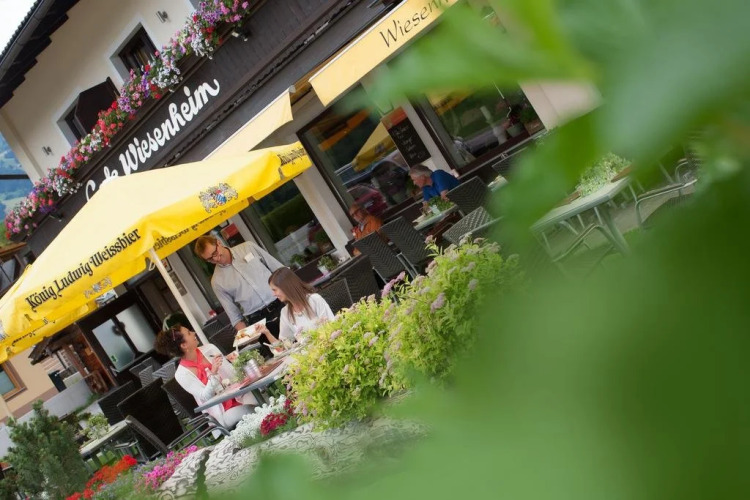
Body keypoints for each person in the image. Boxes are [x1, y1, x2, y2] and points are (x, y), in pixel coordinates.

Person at [194, 235, 284, 354]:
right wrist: (250, 340)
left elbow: (280, 270)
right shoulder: (217, 281)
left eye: (214, 253)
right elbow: (235, 317)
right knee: (280, 356)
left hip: (282, 303)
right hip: (258, 321)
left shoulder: (248, 247)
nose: (215, 259)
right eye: (210, 259)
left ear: (219, 243)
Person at [154, 324, 254, 428]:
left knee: (260, 399)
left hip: (239, 396)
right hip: (222, 413)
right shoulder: (181, 374)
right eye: (189, 333)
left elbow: (232, 374)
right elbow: (205, 396)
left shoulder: (210, 349)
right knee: (249, 409)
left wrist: (235, 362)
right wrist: (213, 373)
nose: (194, 333)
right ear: (184, 345)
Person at [257, 267, 334, 344]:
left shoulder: (314, 300)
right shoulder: (285, 312)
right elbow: (283, 346)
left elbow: (332, 326)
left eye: (275, 290)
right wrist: (266, 332)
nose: (273, 294)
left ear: (285, 287)